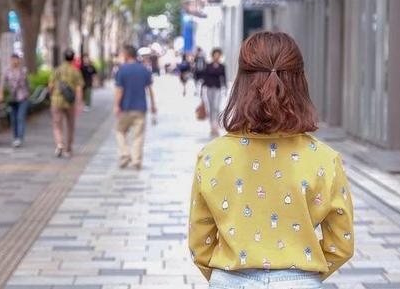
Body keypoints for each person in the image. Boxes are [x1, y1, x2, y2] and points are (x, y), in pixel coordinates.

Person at [188, 32, 354, 289]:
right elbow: (341, 245)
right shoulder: (324, 160)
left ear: (241, 83)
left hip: (230, 280)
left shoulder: (212, 157)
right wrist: (303, 278)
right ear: (300, 82)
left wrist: (224, 276)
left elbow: (200, 242)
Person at [114, 45, 157, 170]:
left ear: (127, 55)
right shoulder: (144, 70)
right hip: (140, 108)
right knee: (138, 135)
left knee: (120, 131)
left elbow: (119, 90)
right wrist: (153, 106)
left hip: (125, 108)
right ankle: (136, 160)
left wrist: (116, 105)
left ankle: (125, 153)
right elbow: (150, 89)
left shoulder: (122, 70)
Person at [49, 49, 84, 158]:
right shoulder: (75, 71)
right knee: (70, 125)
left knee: (57, 124)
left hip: (56, 100)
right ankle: (68, 149)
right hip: (70, 102)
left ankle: (59, 144)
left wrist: (51, 96)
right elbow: (79, 88)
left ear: (64, 57)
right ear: (73, 58)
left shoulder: (57, 70)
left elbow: (50, 86)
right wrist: (79, 103)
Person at [0, 54, 31, 147]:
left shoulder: (23, 71)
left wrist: (28, 94)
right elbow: (2, 83)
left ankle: (19, 138)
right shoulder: (7, 71)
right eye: (13, 59)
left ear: (19, 60)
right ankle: (15, 137)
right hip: (12, 98)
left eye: (16, 59)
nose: (14, 61)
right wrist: (0, 93)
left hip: (22, 97)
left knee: (20, 117)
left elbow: (27, 83)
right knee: (13, 118)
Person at [201, 48, 226, 137]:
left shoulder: (222, 66)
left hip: (218, 88)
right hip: (209, 88)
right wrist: (202, 90)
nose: (217, 57)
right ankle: (212, 125)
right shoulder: (208, 65)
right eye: (215, 55)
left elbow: (224, 78)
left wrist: (225, 88)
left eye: (218, 55)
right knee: (211, 107)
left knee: (216, 107)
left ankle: (216, 124)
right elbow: (205, 77)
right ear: (212, 56)